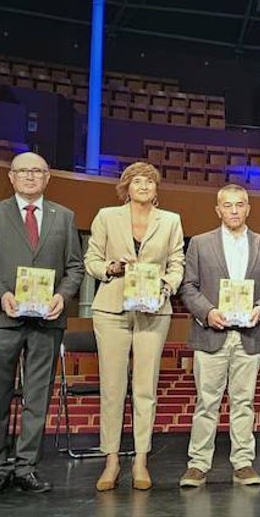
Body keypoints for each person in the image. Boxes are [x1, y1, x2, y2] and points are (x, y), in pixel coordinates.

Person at [0, 152, 84, 496]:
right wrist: (0, 295)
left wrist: (63, 295)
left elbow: (75, 266)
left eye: (37, 171)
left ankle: (27, 466)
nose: (30, 176)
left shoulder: (64, 217)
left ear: (47, 178)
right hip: (1, 319)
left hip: (47, 320)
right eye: (23, 171)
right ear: (11, 177)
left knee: (37, 397)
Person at [83, 162, 185, 491]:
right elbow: (92, 260)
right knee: (112, 388)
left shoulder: (171, 221)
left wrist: (165, 286)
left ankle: (141, 458)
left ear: (157, 189)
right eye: (137, 181)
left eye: (149, 181)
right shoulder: (105, 216)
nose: (143, 186)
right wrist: (111, 268)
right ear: (126, 187)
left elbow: (177, 263)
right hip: (112, 308)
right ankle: (111, 459)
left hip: (153, 309)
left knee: (145, 388)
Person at [178, 184, 260, 489]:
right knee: (206, 403)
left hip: (248, 334)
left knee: (244, 402)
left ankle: (243, 463)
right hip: (211, 332)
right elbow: (188, 287)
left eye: (240, 205)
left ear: (248, 208)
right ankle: (198, 464)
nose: (234, 210)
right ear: (218, 210)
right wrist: (208, 312)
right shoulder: (199, 243)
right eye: (228, 205)